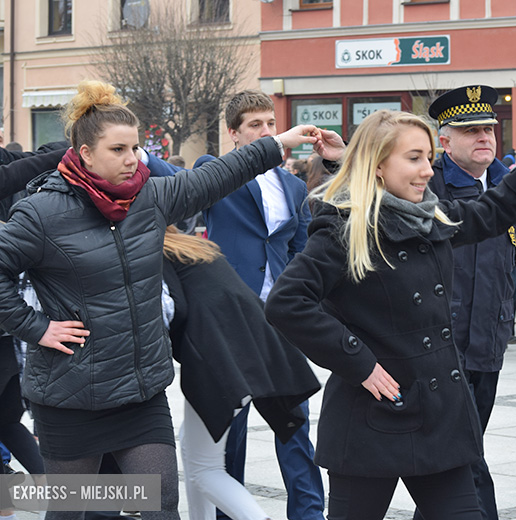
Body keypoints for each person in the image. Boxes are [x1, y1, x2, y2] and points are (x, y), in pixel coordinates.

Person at [265, 109, 516, 520]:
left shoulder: (432, 216)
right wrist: (360, 362)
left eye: (428, 157)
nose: (427, 170)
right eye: (413, 158)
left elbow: (495, 209)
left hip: (439, 418)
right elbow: (287, 302)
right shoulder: (345, 227)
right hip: (373, 417)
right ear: (377, 166)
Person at [0, 80, 316, 520]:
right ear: (85, 154)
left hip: (140, 392)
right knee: (74, 510)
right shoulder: (42, 212)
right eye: (118, 150)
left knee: (160, 503)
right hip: (70, 396)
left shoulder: (149, 197)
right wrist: (36, 327)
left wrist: (276, 143)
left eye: (136, 147)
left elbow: (217, 175)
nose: (133, 160)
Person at [200, 90, 325, 520]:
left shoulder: (293, 185)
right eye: (256, 126)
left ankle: (309, 514)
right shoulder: (214, 172)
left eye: (271, 124)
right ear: (234, 135)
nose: (268, 132)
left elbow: (302, 250)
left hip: (279, 322)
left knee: (295, 429)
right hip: (232, 321)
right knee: (227, 434)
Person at [161, 227, 321, 520]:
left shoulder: (155, 257)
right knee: (194, 449)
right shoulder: (195, 248)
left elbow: (173, 313)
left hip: (220, 362)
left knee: (204, 469)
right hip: (251, 352)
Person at [421, 85, 516, 520]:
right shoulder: (428, 187)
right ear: (444, 141)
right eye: (470, 131)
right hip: (439, 350)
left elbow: (511, 263)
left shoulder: (510, 187)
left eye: (489, 128)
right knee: (465, 457)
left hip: (486, 345)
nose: (484, 137)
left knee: (457, 457)